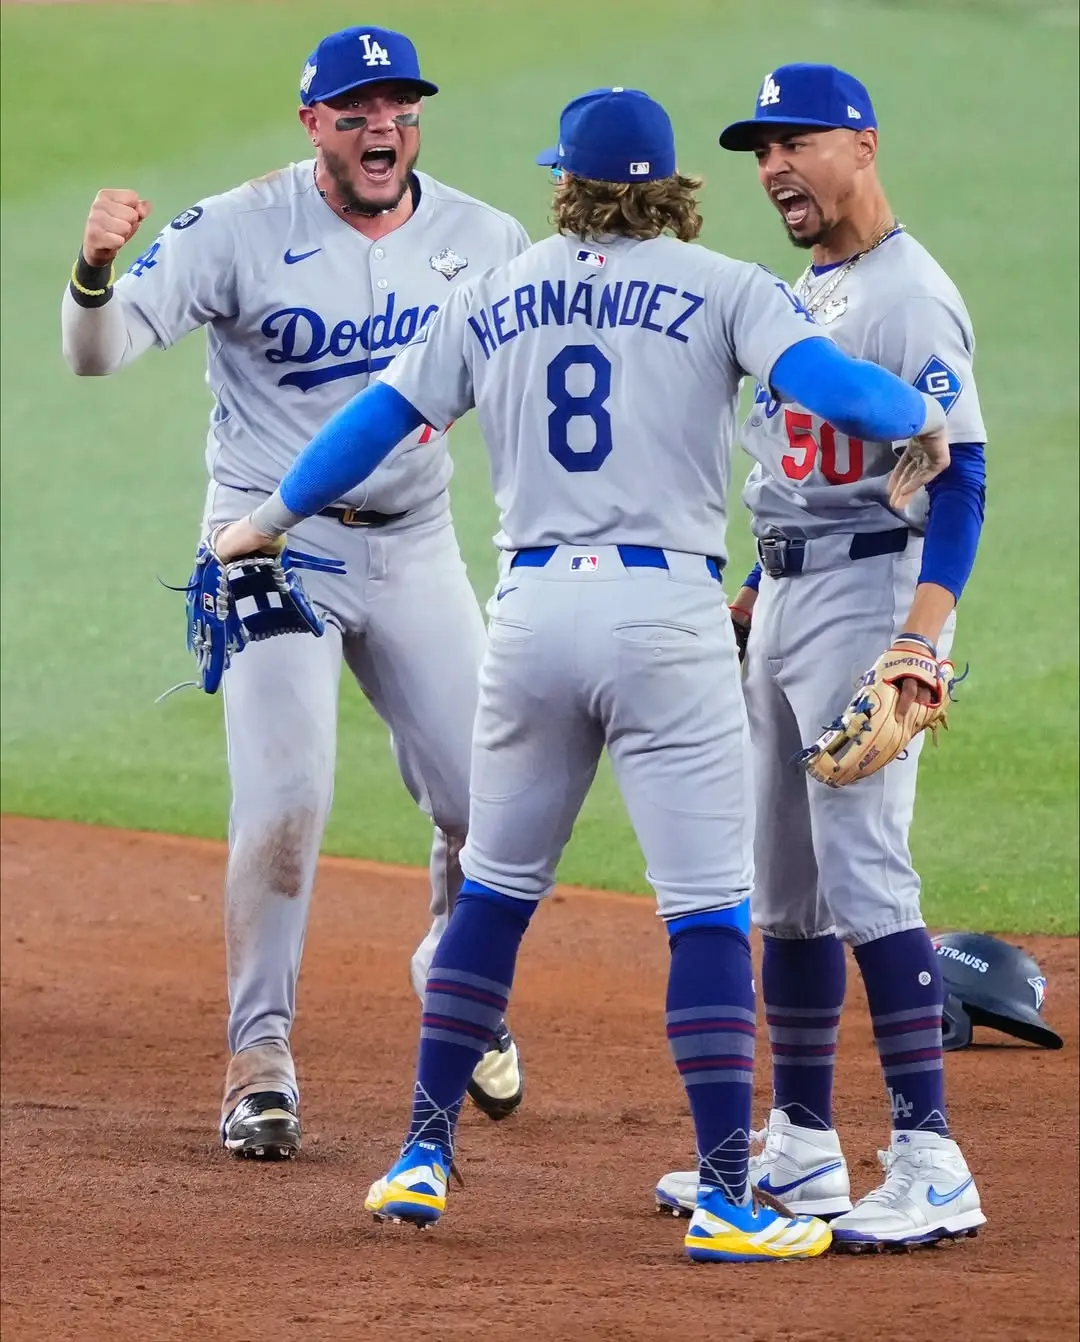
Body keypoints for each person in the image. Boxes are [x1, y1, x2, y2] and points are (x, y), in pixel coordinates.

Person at [214, 85, 951, 1259]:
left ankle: (420, 1149)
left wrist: (270, 512)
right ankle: (725, 1192)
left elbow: (384, 417)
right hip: (665, 615)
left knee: (495, 891)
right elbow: (830, 390)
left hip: (532, 612)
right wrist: (923, 415)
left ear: (563, 179)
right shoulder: (728, 289)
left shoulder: (493, 289)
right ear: (673, 184)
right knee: (708, 907)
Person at [61, 25, 530, 1159]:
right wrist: (90, 275)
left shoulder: (486, 237)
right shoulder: (238, 227)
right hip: (269, 549)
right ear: (312, 122)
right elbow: (99, 351)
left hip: (416, 544)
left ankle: (448, 958)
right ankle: (257, 1056)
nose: (386, 129)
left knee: (495, 810)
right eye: (359, 111)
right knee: (287, 799)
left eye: (402, 108)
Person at [654, 64, 987, 1252]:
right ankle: (801, 1142)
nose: (775, 168)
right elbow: (802, 467)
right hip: (790, 596)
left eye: (796, 142)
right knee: (782, 884)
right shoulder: (818, 287)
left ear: (862, 143)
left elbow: (965, 482)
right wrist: (754, 590)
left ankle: (931, 1157)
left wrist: (918, 638)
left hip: (868, 598)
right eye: (760, 150)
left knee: (862, 869)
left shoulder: (911, 295)